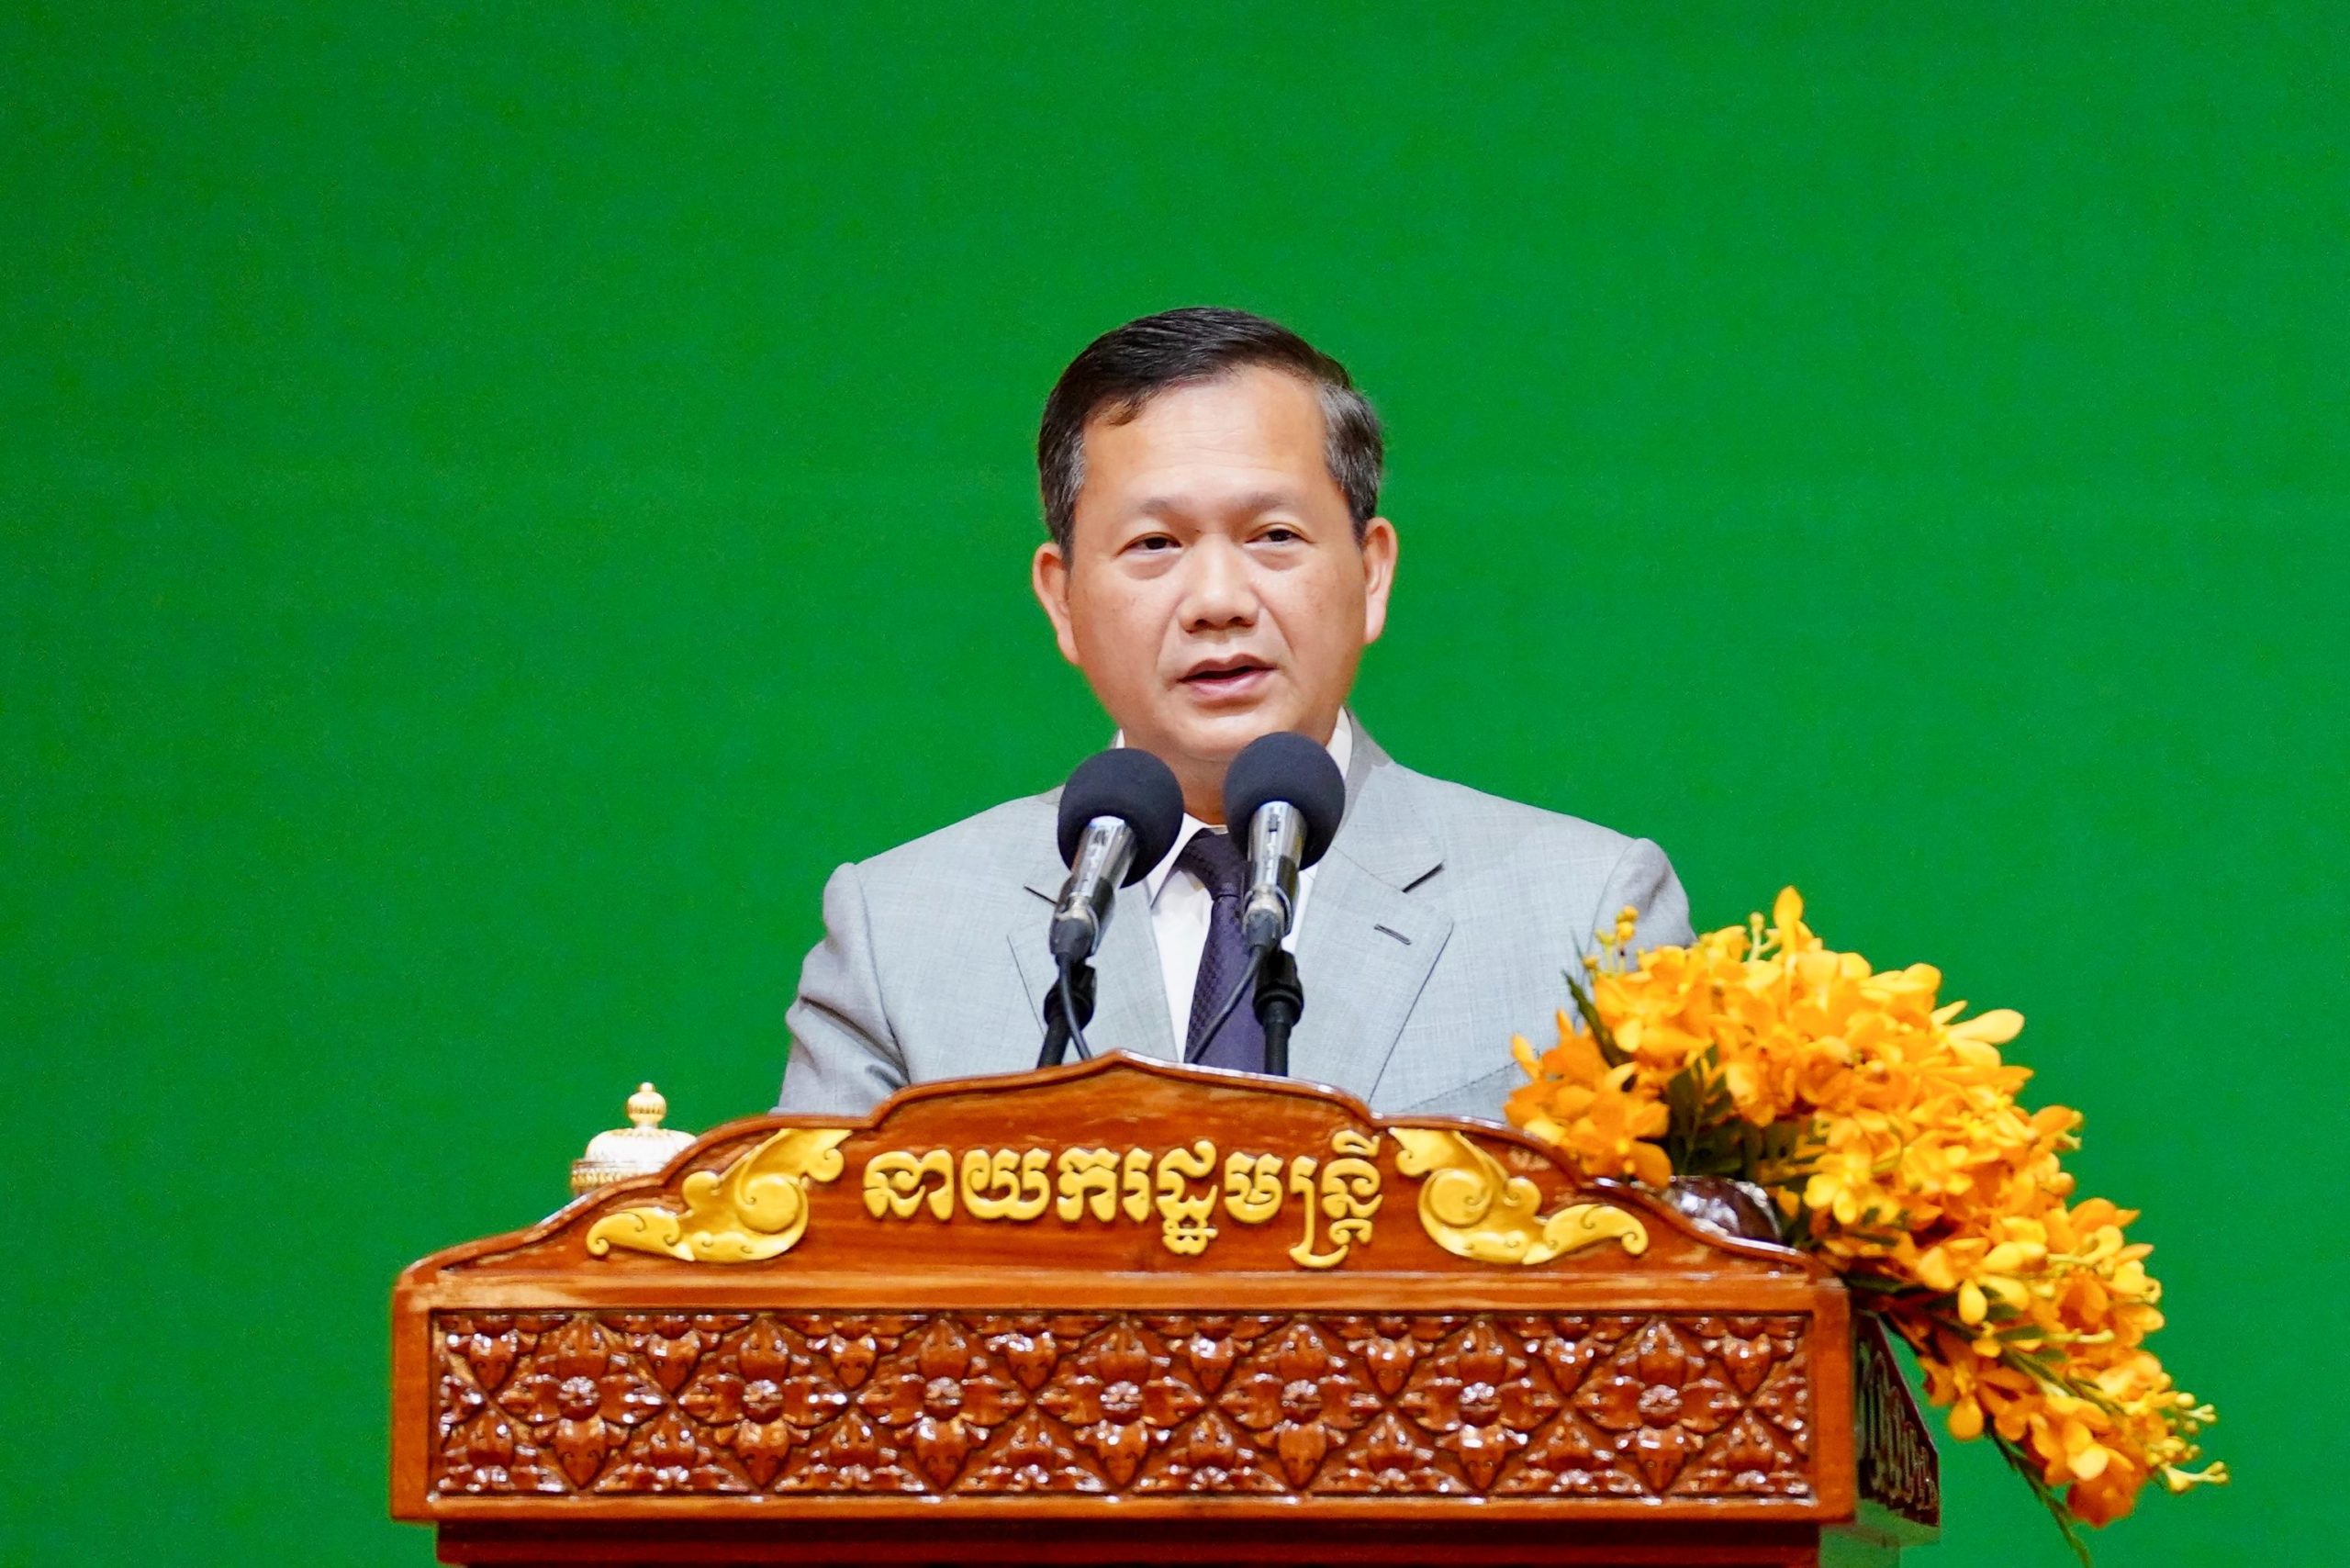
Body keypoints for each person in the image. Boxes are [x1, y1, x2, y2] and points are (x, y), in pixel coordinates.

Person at [778, 307, 1691, 1120]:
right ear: (1061, 598)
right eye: (1154, 543)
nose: (1217, 600)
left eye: (1274, 536)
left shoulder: (1586, 917)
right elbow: (807, 1258)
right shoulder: (897, 936)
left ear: (1371, 573)